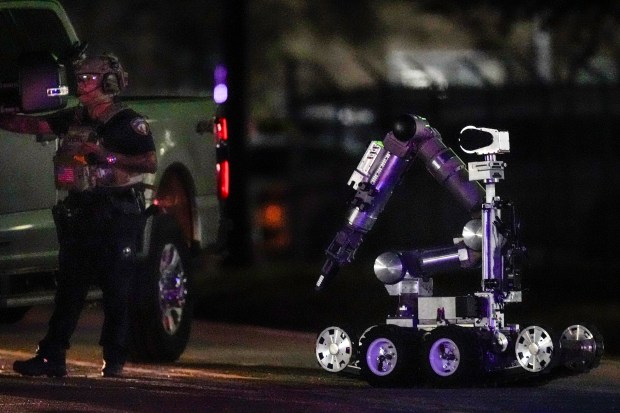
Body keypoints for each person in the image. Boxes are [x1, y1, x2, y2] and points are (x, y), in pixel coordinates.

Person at [0, 53, 157, 378]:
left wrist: (105, 157)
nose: (81, 83)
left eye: (89, 77)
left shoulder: (128, 122)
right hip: (82, 214)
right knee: (69, 290)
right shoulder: (76, 118)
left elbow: (148, 163)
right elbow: (36, 124)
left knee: (116, 291)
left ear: (109, 83)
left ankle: (114, 359)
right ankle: (52, 356)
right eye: (80, 77)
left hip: (117, 215)